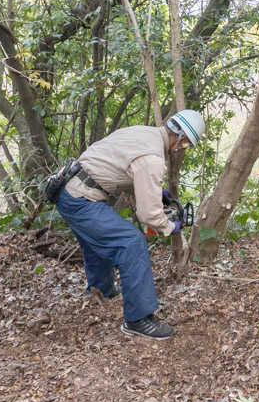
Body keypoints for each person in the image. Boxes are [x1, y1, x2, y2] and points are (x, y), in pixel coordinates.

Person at [53, 110, 205, 340]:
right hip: (82, 198)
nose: (181, 149)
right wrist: (172, 227)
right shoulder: (153, 158)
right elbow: (149, 215)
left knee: (99, 242)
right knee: (131, 242)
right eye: (184, 145)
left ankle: (101, 290)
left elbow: (117, 164)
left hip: (69, 188)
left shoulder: (144, 133)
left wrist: (156, 191)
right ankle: (138, 318)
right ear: (182, 139)